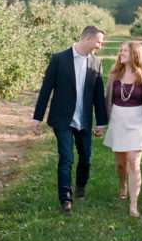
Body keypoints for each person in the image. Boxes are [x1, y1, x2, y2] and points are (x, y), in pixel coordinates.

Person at [33, 25, 108, 214]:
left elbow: (98, 95)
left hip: (83, 120)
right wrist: (37, 118)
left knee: (86, 158)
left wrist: (100, 122)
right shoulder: (59, 59)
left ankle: (80, 186)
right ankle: (65, 199)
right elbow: (46, 89)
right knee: (66, 158)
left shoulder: (96, 62)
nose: (100, 45)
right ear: (88, 38)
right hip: (62, 119)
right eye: (99, 41)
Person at [103, 41, 142, 217]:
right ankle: (123, 184)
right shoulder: (114, 75)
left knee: (133, 162)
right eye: (120, 50)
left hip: (138, 122)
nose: (121, 53)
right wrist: (101, 123)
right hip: (118, 121)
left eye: (125, 50)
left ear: (135, 54)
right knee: (121, 164)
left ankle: (133, 204)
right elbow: (107, 100)